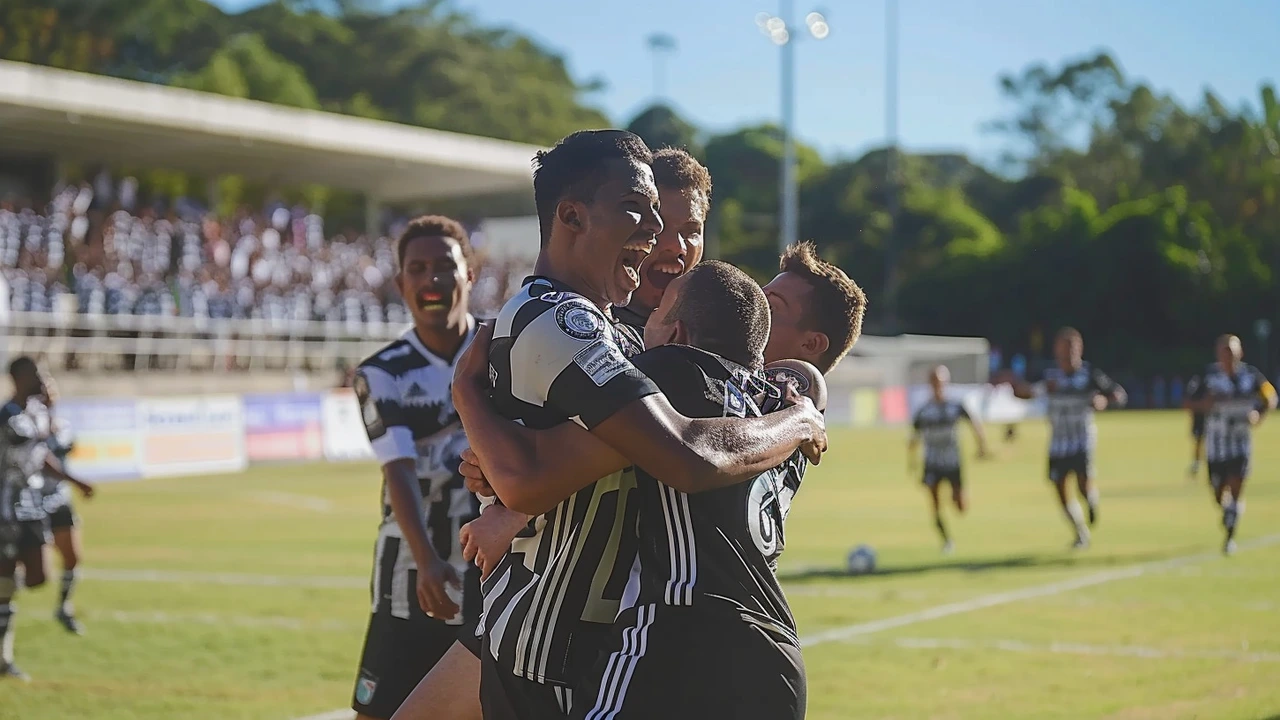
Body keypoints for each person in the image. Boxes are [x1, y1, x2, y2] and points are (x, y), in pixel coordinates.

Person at [462, 129, 826, 720]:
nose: (656, 233)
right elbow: (683, 454)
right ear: (572, 216)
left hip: (592, 645)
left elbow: (534, 473)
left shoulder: (620, 333)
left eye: (667, 219)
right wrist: (797, 421)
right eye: (637, 209)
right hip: (552, 650)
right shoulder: (560, 320)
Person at [347, 216, 483, 720]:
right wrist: (426, 559)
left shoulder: (504, 355)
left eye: (445, 266)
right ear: (402, 284)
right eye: (417, 269)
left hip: (493, 575)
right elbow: (398, 470)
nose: (432, 280)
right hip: (410, 578)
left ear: (469, 274)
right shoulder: (382, 372)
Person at [2, 357, 90, 680]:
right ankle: (4, 660)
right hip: (6, 506)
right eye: (37, 375)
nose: (43, 381)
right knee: (7, 581)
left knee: (39, 575)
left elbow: (44, 456)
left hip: (33, 503)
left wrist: (76, 481)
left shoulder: (35, 416)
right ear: (19, 377)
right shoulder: (6, 416)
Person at [1008, 328, 1126, 549]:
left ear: (1079, 349)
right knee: (1060, 489)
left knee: (1082, 483)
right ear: (1057, 350)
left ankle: (1091, 499)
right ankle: (1080, 532)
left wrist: (1103, 401)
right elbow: (1024, 392)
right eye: (1064, 348)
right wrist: (1017, 386)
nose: (1068, 353)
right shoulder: (1049, 376)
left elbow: (1119, 394)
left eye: (1072, 348)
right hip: (1057, 442)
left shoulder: (1089, 374)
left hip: (1082, 438)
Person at [1184, 335, 1276, 555]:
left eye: (1232, 353)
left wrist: (1259, 414)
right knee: (1218, 492)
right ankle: (1228, 511)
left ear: (1240, 353)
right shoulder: (1208, 376)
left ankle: (1230, 536)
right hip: (1216, 445)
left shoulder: (1251, 376)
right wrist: (1203, 404)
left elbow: (1270, 397)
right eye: (1224, 352)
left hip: (1241, 443)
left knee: (1236, 488)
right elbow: (1187, 402)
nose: (1228, 357)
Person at [909, 365, 988, 554]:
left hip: (953, 462)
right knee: (935, 503)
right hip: (932, 462)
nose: (938, 385)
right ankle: (946, 540)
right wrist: (912, 461)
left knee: (960, 507)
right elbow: (914, 436)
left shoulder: (955, 405)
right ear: (930, 383)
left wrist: (982, 445)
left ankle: (959, 495)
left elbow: (974, 423)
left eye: (941, 381)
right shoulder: (924, 410)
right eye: (935, 381)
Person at [38, 382, 95, 635]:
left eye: (51, 388)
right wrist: (77, 482)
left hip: (59, 499)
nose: (49, 393)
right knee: (30, 569)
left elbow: (64, 452)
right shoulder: (23, 424)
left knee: (72, 557)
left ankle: (63, 607)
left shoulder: (62, 425)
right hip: (32, 501)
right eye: (43, 388)